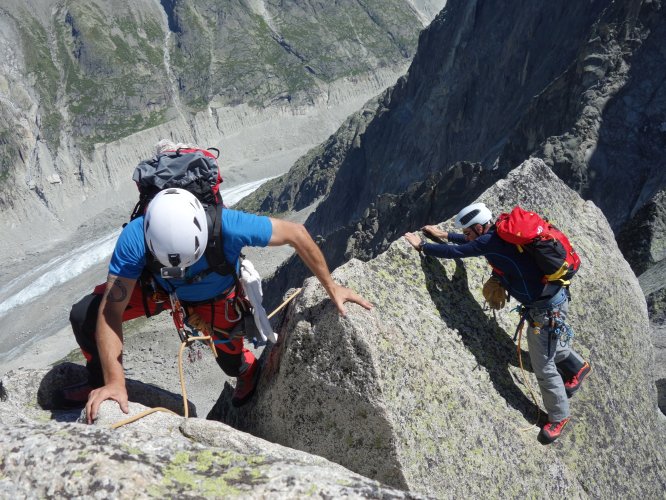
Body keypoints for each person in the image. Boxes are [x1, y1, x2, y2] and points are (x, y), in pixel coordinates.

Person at [66, 140, 372, 424]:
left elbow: (296, 234)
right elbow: (111, 312)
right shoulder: (135, 237)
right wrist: (114, 383)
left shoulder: (228, 225)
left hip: (213, 296)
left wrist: (332, 287)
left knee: (231, 363)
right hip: (157, 289)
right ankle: (99, 380)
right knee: (85, 315)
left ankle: (246, 371)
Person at [404, 202, 591, 443]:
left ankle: (559, 417)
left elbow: (457, 252)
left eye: (468, 232)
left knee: (543, 366)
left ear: (481, 228)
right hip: (552, 301)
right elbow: (472, 244)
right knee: (547, 345)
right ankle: (577, 367)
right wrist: (444, 235)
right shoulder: (499, 234)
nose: (466, 236)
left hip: (545, 312)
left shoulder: (488, 241)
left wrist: (423, 246)